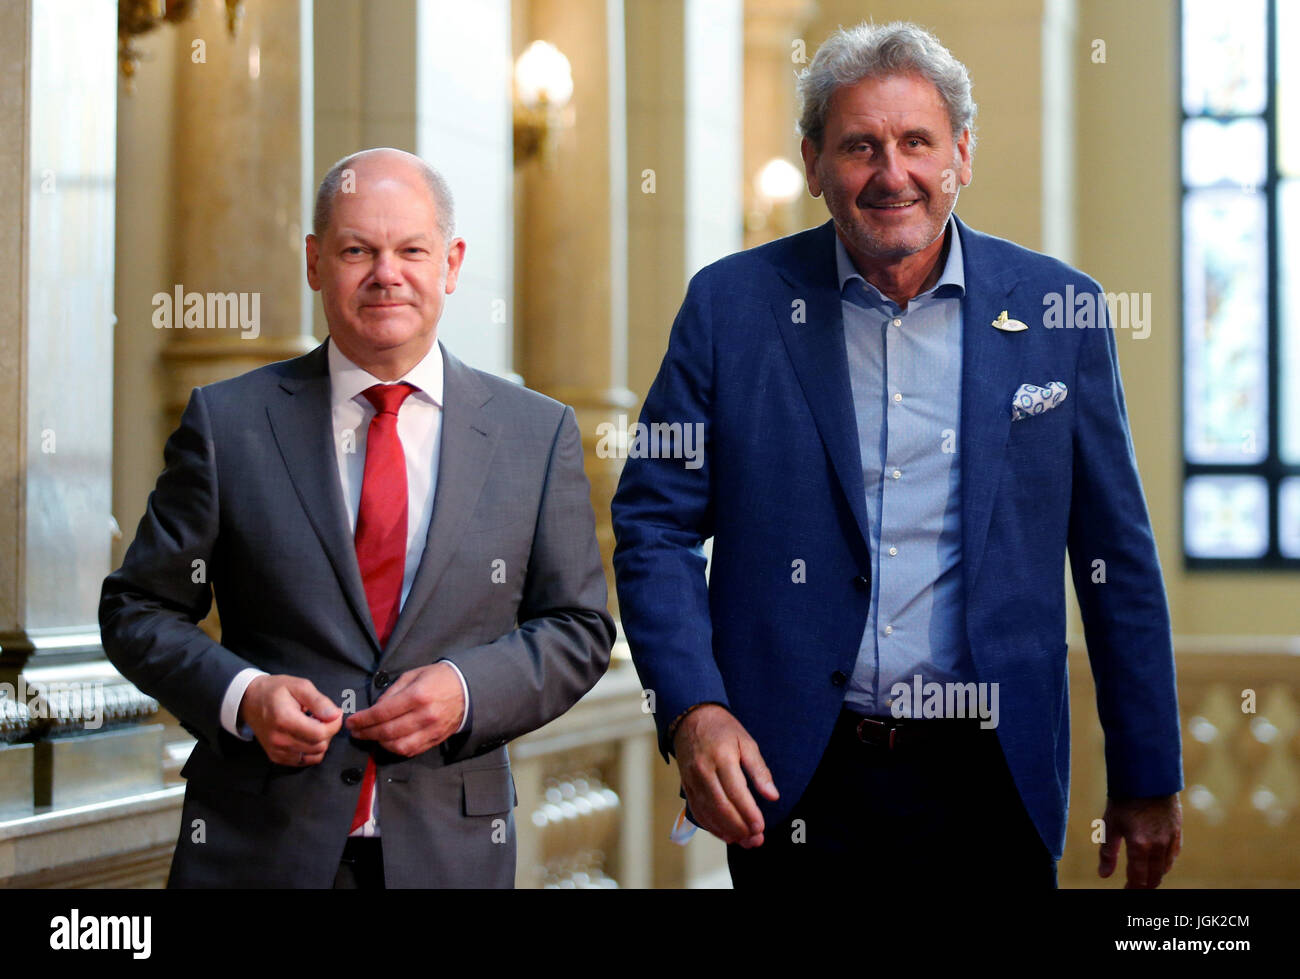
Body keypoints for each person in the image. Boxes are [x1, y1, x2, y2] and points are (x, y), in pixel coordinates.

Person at [612, 21, 1182, 889]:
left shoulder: (1061, 310)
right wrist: (694, 707)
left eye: (917, 141)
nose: (892, 173)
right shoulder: (731, 307)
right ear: (812, 164)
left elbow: (1116, 557)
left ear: (962, 153)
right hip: (796, 780)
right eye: (859, 146)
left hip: (993, 783)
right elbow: (654, 525)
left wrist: (1145, 771)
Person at [100, 147, 614, 888]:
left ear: (452, 263)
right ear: (315, 261)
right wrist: (244, 696)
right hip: (255, 849)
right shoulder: (229, 423)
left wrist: (466, 690)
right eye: (356, 250)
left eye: (411, 249)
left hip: (449, 853)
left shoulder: (536, 435)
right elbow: (138, 609)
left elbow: (578, 625)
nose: (386, 274)